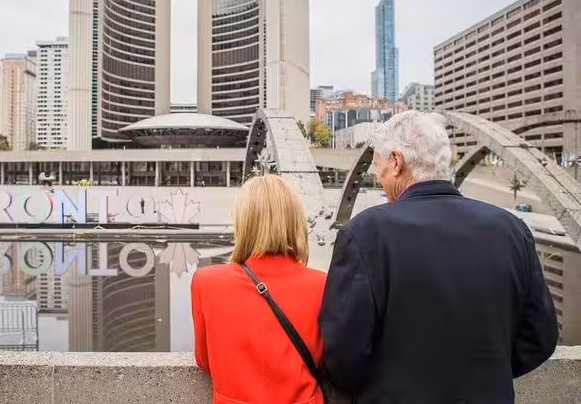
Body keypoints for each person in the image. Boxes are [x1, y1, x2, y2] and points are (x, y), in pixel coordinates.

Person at [319, 111, 558, 404]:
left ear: (396, 162)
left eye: (378, 169)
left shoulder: (365, 234)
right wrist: (486, 376)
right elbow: (541, 336)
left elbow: (342, 355)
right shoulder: (511, 230)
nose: (379, 180)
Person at [192, 174, 326, 404]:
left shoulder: (206, 282)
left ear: (243, 223)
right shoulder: (322, 284)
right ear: (295, 221)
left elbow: (205, 361)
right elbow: (323, 360)